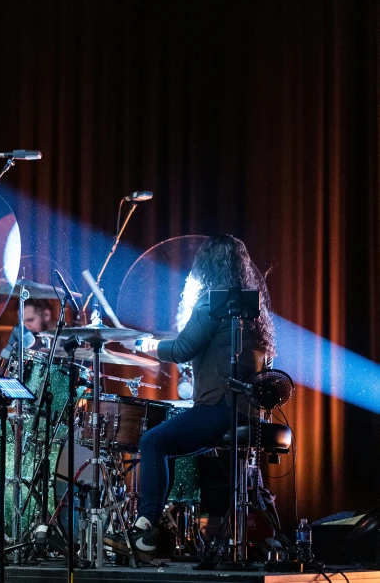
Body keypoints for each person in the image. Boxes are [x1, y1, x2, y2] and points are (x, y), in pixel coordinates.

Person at [105, 234, 275, 561]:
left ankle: (144, 529)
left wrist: (145, 345)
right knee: (164, 445)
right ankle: (147, 528)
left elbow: (183, 348)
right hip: (248, 412)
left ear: (206, 266)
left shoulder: (212, 301)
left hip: (219, 408)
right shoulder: (253, 309)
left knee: (153, 442)